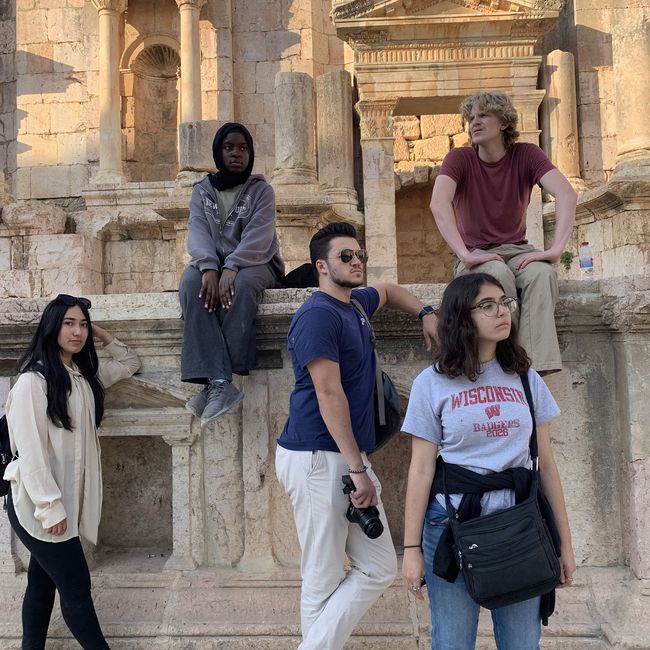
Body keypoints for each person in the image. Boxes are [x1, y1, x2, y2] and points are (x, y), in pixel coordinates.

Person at [275, 222, 438, 650]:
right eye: (346, 256)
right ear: (322, 266)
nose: (357, 261)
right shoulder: (317, 315)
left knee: (380, 566)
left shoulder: (356, 305)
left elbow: (386, 290)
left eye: (360, 253)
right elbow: (329, 394)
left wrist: (426, 313)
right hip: (319, 457)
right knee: (322, 577)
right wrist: (357, 468)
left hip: (343, 458)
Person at [401, 273, 576, 650]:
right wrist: (411, 549)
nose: (503, 312)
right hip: (452, 525)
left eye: (505, 303)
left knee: (521, 643)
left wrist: (565, 543)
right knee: (451, 642)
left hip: (519, 526)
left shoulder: (526, 378)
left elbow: (545, 464)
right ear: (461, 316)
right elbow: (420, 469)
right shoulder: (430, 384)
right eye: (488, 305)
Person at [3, 294, 141, 650]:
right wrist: (51, 509)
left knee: (41, 581)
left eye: (82, 325)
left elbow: (129, 361)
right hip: (38, 509)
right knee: (77, 589)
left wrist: (100, 332)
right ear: (52, 327)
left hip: (61, 505)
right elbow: (30, 452)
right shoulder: (33, 382)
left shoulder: (82, 378)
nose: (77, 332)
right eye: (68, 324)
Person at [430, 91, 577, 374]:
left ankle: (535, 371)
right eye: (471, 117)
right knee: (496, 277)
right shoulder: (459, 159)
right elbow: (438, 203)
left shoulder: (527, 154)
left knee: (543, 274)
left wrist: (555, 249)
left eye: (483, 115)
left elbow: (566, 194)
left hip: (518, 250)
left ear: (504, 123)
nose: (474, 122)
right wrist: (464, 254)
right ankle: (507, 360)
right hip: (477, 253)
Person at [179, 122, 284, 426]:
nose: (236, 154)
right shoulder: (202, 190)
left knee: (243, 283)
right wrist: (210, 266)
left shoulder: (261, 190)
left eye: (243, 148)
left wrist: (232, 265)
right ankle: (219, 383)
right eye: (229, 148)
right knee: (189, 284)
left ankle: (220, 378)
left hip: (256, 262)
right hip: (212, 262)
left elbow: (259, 236)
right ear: (218, 152)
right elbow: (197, 230)